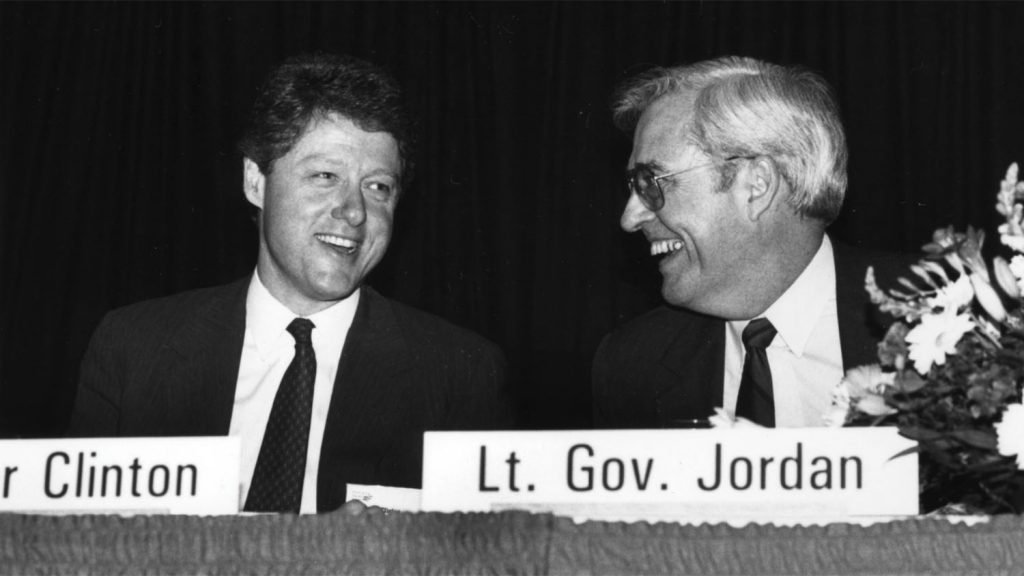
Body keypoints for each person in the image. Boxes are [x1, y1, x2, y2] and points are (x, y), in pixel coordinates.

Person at [67, 53, 513, 513]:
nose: (355, 211)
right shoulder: (133, 350)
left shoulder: (459, 376)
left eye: (378, 186)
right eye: (325, 176)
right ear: (256, 182)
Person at [592, 56, 909, 429]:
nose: (630, 218)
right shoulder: (630, 366)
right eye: (634, 187)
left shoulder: (948, 322)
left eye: (653, 183)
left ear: (756, 185)